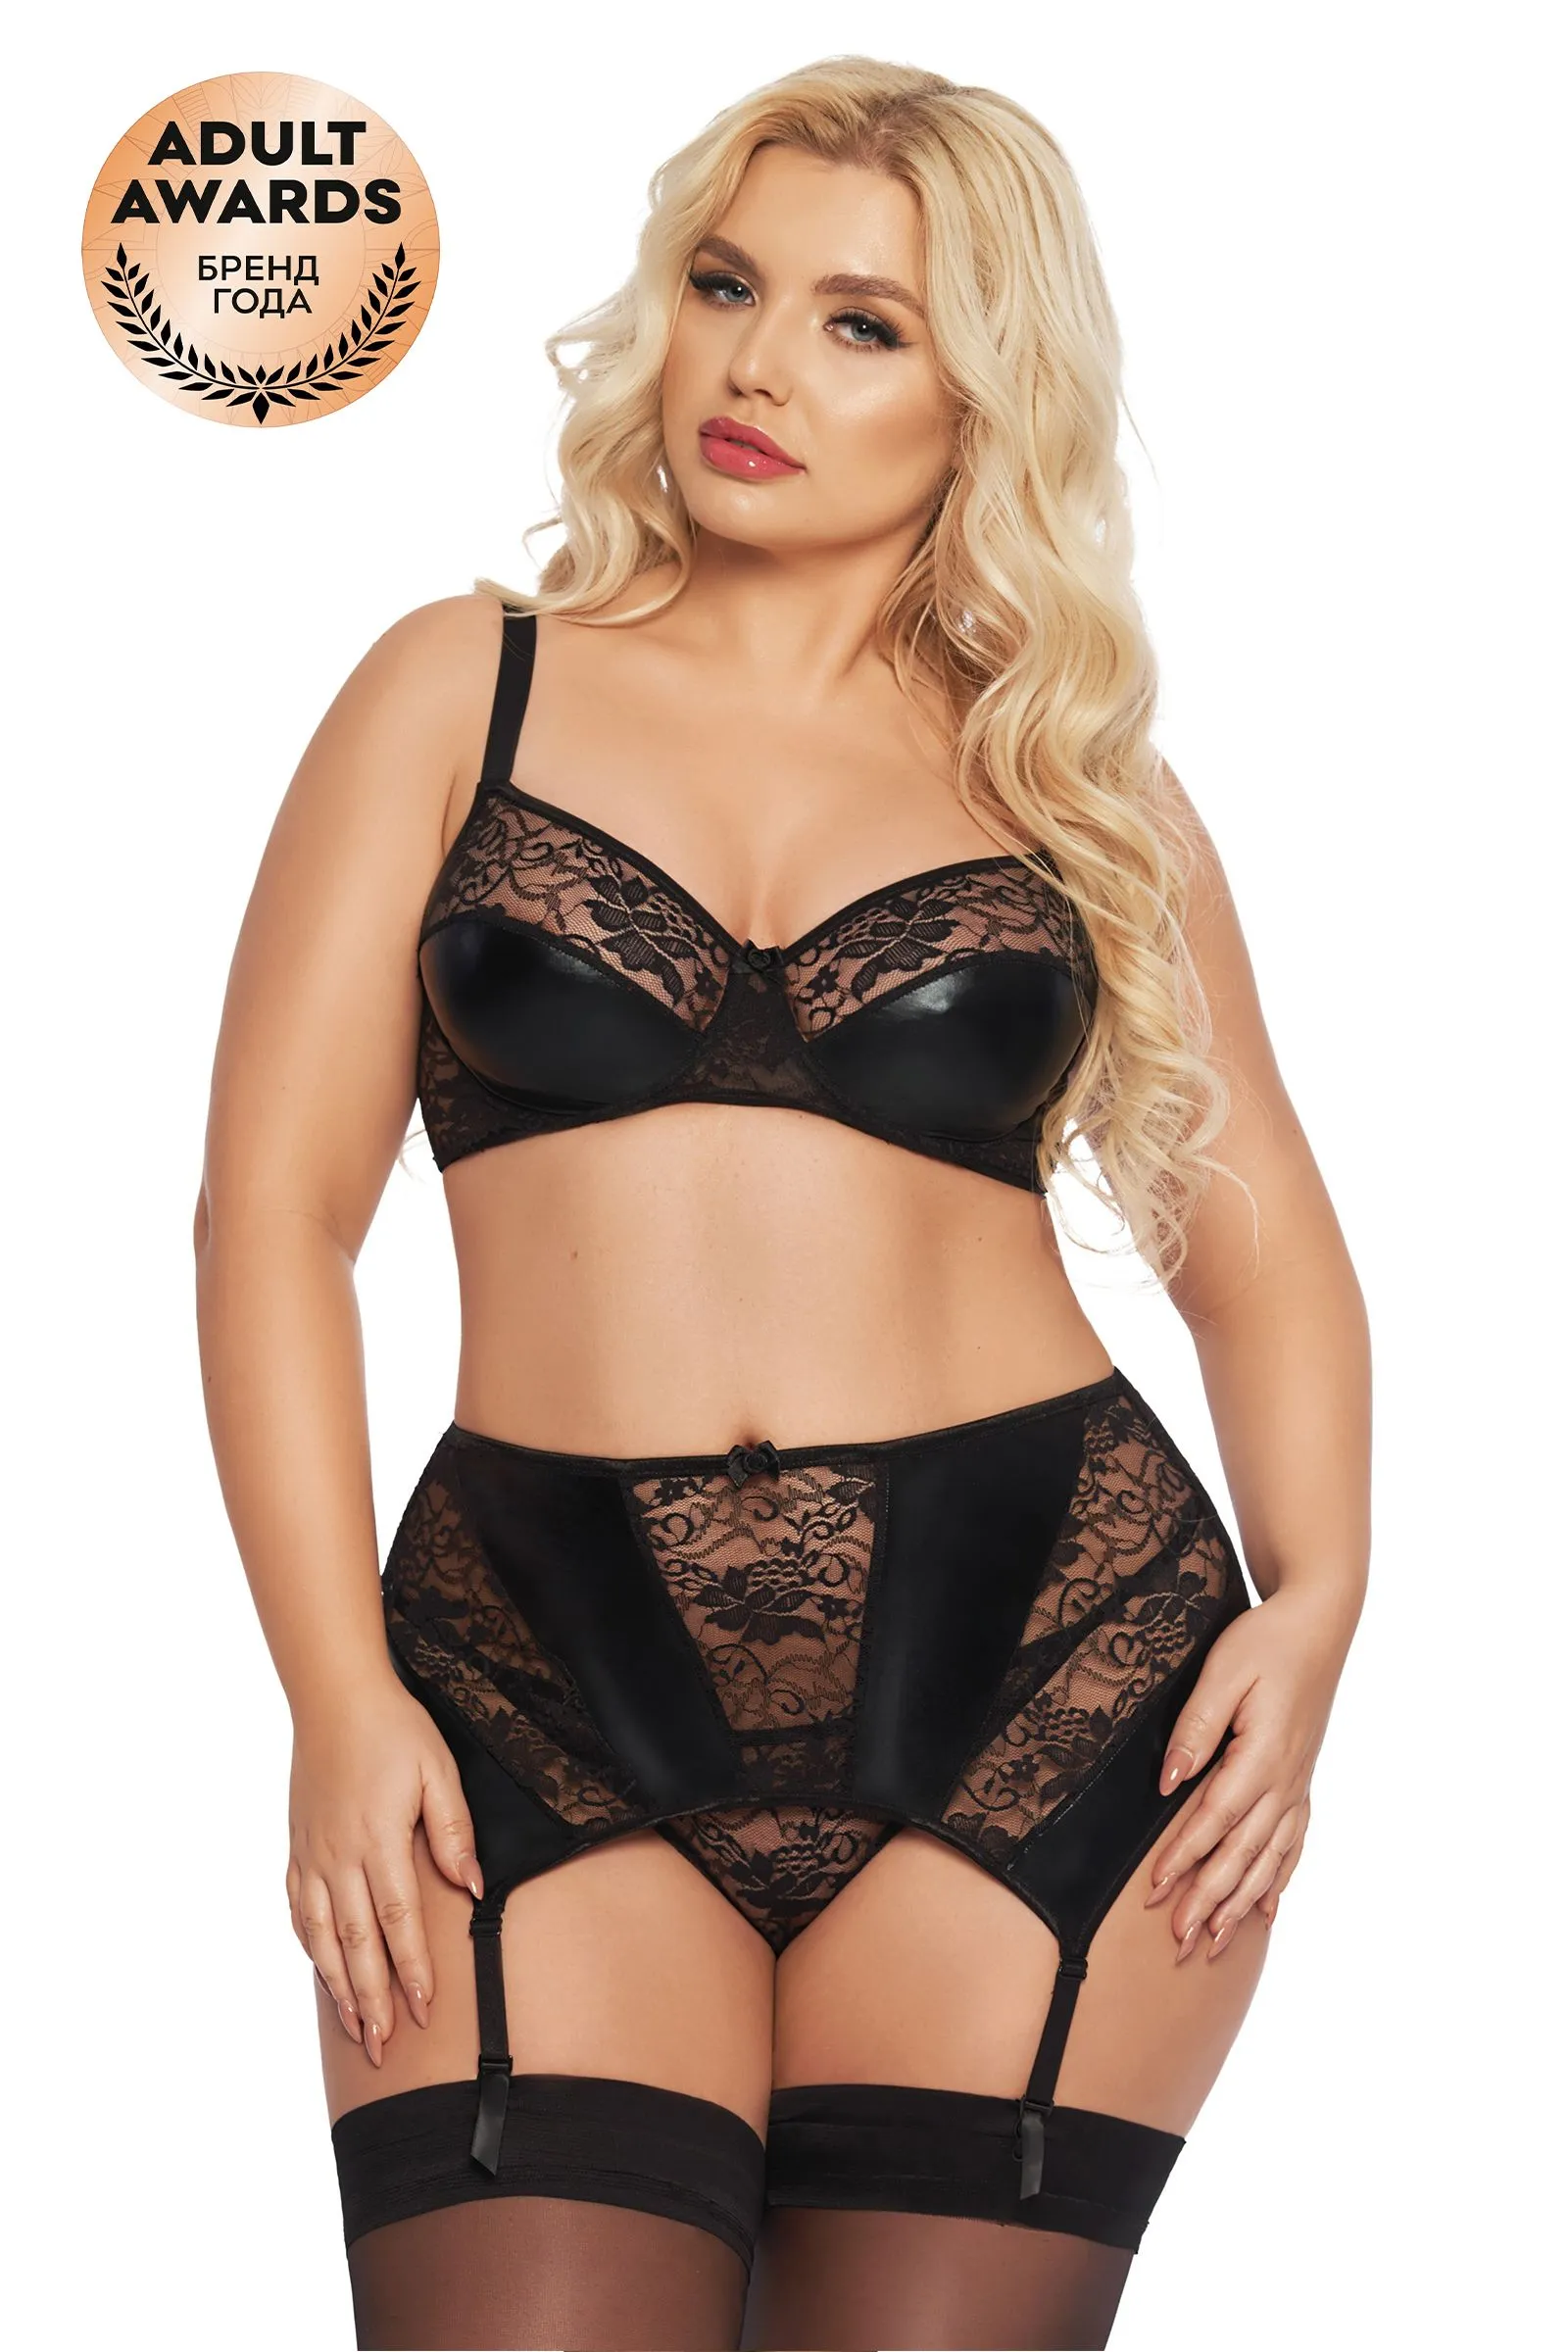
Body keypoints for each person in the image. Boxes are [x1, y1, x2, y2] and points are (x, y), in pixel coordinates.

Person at [194, 54, 1370, 2352]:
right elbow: (267, 1219)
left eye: (861, 324)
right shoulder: (462, 691)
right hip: (525, 1665)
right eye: (727, 286)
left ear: (981, 395)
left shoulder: (1069, 785)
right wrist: (331, 1691)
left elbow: (1258, 1244)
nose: (755, 368)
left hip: (1051, 1659)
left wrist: (1315, 1600)